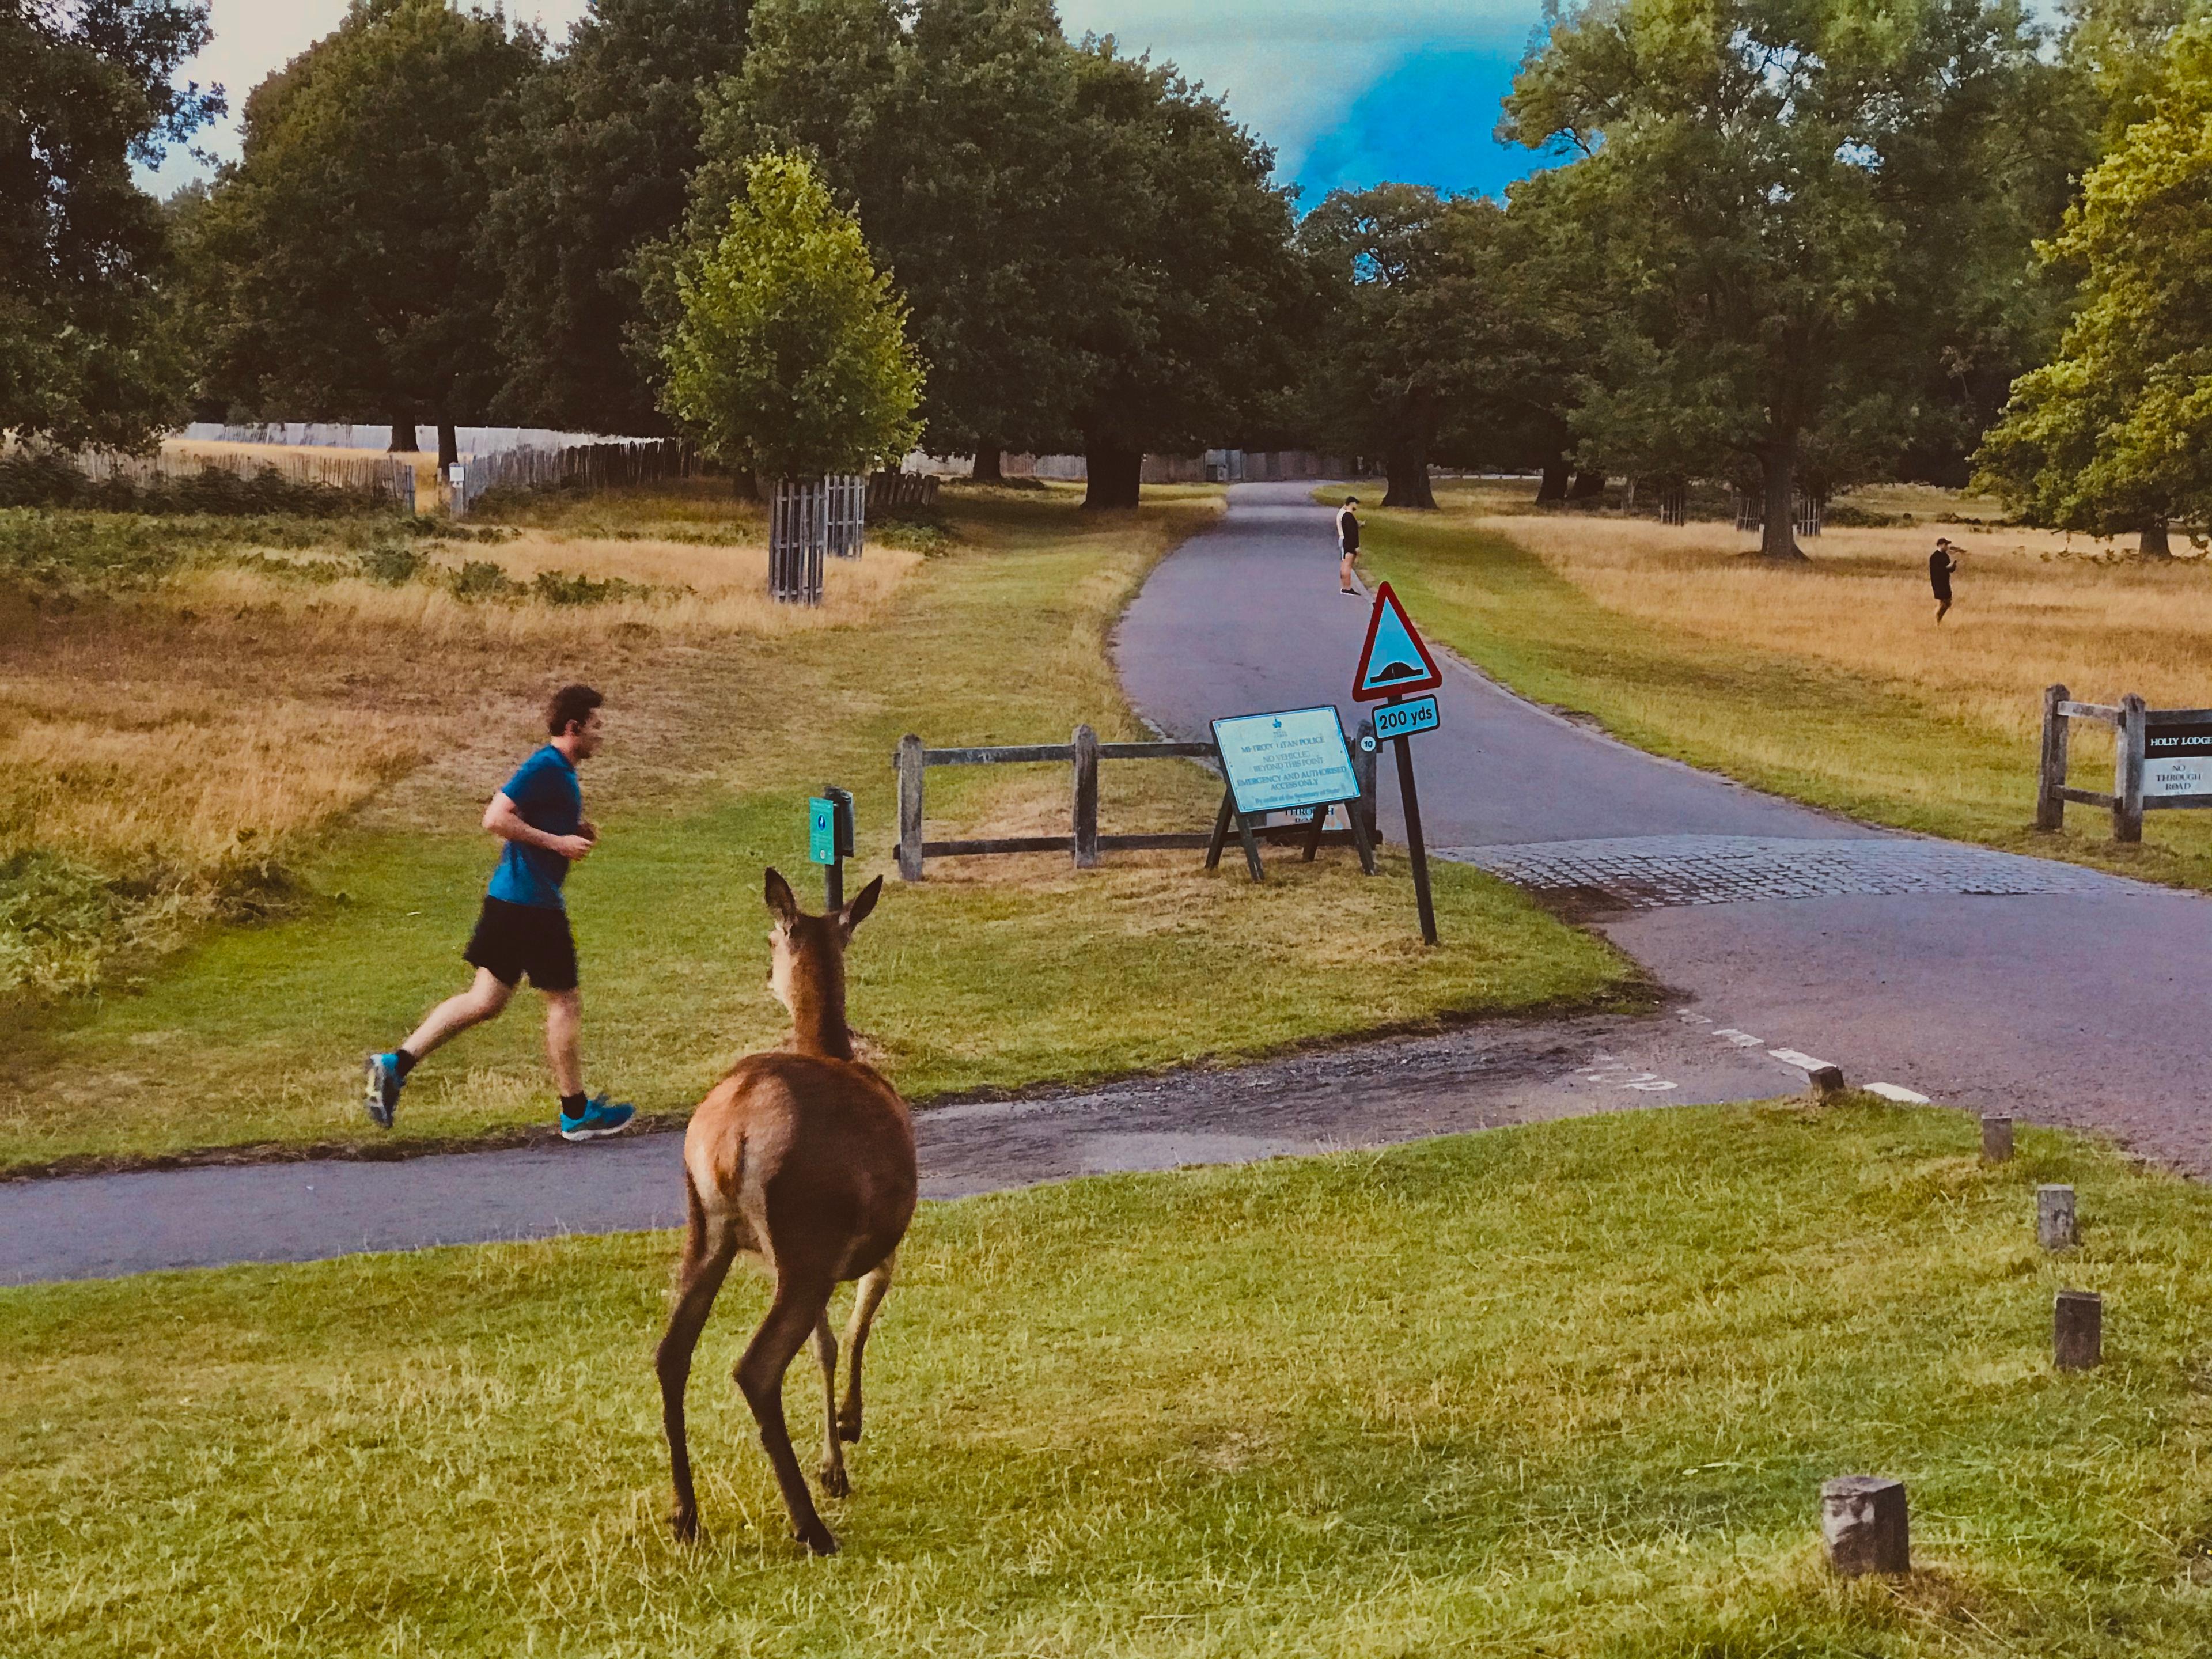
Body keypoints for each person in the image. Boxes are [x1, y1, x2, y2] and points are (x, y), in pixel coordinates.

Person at [364, 684, 635, 1141]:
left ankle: (395, 1064)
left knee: (485, 1001)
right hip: (531, 904)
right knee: (564, 1001)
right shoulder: (546, 766)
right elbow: (495, 818)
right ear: (574, 727)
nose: (600, 736)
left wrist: (571, 830)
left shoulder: (558, 772)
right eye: (596, 727)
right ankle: (576, 1113)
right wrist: (558, 842)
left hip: (512, 899)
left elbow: (526, 820)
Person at [1929, 537, 1959, 623]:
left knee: (1948, 603)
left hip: (1946, 582)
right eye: (1945, 545)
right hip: (1938, 583)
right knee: (1942, 603)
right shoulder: (1934, 557)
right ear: (1940, 545)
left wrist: (1952, 567)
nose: (1947, 547)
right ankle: (1936, 622)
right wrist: (1946, 568)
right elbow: (1936, 571)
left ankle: (1939, 619)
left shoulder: (1945, 556)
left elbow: (1949, 570)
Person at [1338, 494, 1362, 594]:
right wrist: (1356, 546)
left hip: (1346, 542)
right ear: (1351, 504)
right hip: (1350, 544)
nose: (1357, 506)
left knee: (1345, 564)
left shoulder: (1345, 517)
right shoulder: (1349, 517)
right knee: (1348, 565)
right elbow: (1352, 533)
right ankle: (1347, 587)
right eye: (1356, 504)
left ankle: (1345, 586)